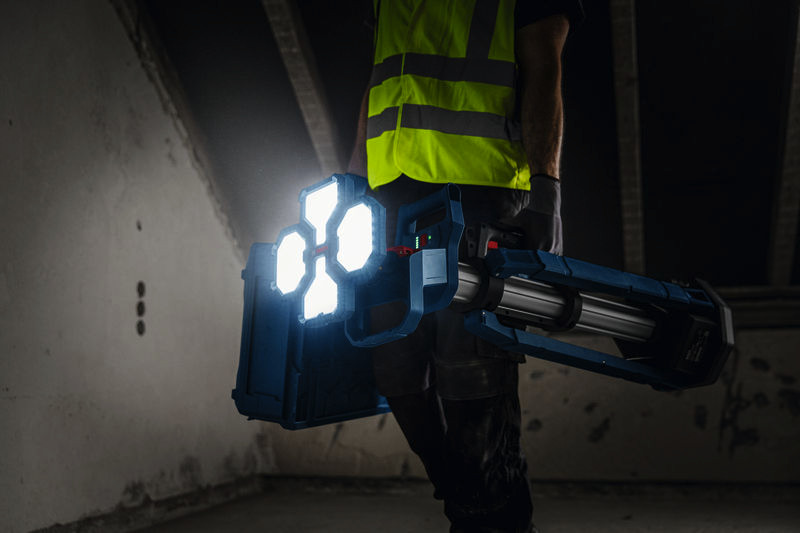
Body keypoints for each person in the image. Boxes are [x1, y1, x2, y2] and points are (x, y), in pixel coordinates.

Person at [347, 2, 583, 531]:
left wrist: (546, 189)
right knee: (395, 371)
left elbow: (544, 64)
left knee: (471, 376)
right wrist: (352, 182)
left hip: (476, 192)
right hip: (388, 200)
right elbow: (379, 81)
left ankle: (488, 515)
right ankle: (466, 500)